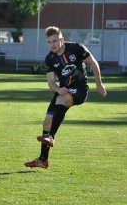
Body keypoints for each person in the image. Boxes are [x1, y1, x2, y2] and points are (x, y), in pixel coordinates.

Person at [24, 26, 107, 169]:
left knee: (61, 100)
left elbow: (93, 63)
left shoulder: (77, 48)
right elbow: (50, 82)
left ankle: (51, 137)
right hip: (63, 90)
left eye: (55, 41)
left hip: (80, 89)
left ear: (62, 39)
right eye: (49, 42)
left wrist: (99, 84)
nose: (52, 45)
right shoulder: (50, 58)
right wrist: (58, 89)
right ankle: (43, 160)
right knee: (46, 123)